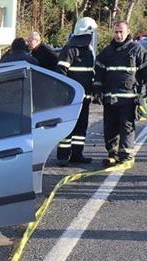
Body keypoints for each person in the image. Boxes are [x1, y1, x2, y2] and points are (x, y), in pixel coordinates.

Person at [94, 20, 147, 166]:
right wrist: (97, 90)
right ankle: (112, 154)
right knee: (110, 127)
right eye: (116, 32)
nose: (118, 35)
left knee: (126, 127)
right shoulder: (107, 51)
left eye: (121, 32)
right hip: (110, 98)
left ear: (128, 31)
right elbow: (99, 73)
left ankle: (125, 155)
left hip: (129, 99)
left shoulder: (137, 50)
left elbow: (145, 72)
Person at [54, 17, 98, 165]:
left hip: (84, 98)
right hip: (71, 99)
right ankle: (63, 156)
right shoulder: (70, 49)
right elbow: (60, 72)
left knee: (81, 127)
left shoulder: (87, 51)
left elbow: (89, 74)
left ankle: (77, 154)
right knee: (68, 127)